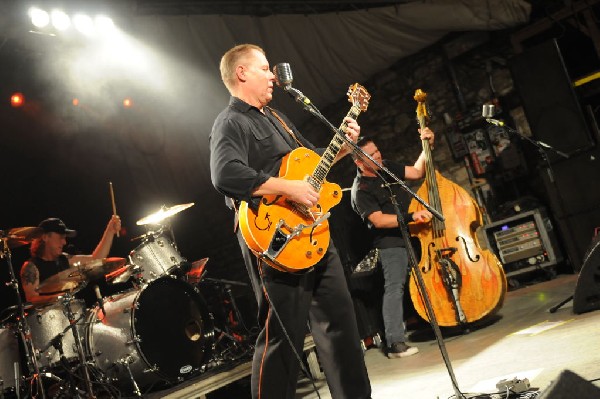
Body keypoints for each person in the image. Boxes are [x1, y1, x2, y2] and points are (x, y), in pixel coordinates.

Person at [210, 44, 371, 399]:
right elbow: (224, 175)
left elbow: (313, 168)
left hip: (313, 235)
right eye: (265, 68)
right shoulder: (230, 121)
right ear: (241, 73)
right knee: (282, 337)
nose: (272, 75)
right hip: (275, 241)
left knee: (342, 325)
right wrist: (289, 189)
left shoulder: (278, 117)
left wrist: (342, 146)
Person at [350, 131, 434, 358]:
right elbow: (378, 220)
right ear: (359, 161)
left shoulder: (386, 167)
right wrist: (410, 217)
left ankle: (441, 321)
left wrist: (426, 145)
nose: (378, 156)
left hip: (414, 235)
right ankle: (395, 343)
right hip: (390, 242)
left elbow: (416, 172)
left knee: (426, 278)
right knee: (395, 288)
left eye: (377, 151)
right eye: (371, 155)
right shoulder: (361, 190)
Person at [20, 216, 121, 306]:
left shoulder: (64, 259)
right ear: (45, 237)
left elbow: (96, 259)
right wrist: (59, 298)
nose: (64, 242)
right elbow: (31, 299)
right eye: (61, 237)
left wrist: (110, 230)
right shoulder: (31, 267)